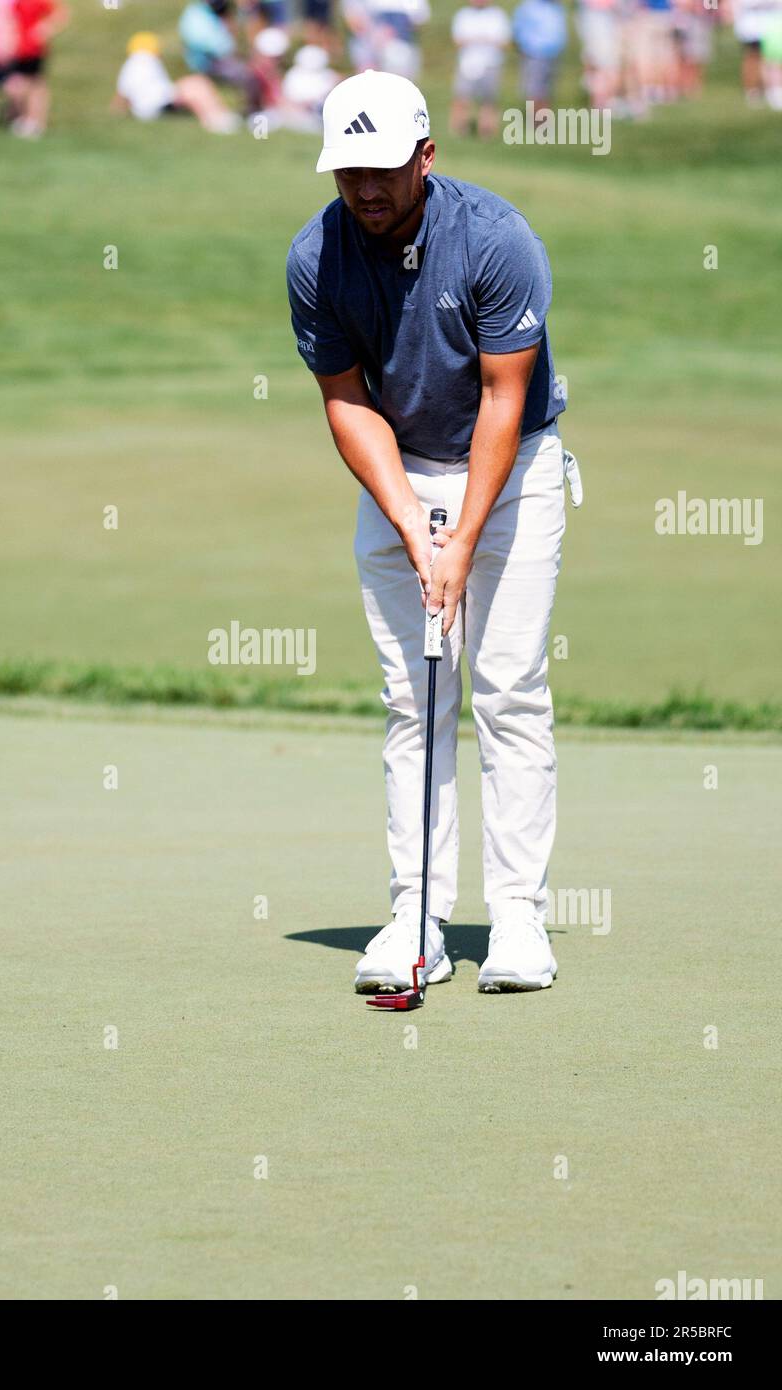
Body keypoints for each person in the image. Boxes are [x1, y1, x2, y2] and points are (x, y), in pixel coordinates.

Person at [286, 70, 579, 996]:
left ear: (424, 156)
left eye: (381, 168)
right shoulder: (315, 258)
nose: (365, 190)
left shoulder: (496, 240)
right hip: (400, 470)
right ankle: (417, 914)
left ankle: (521, 921)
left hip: (515, 467)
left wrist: (461, 538)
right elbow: (347, 402)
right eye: (347, 172)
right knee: (416, 699)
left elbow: (502, 400)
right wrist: (417, 527)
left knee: (507, 688)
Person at [112, 29, 239, 133]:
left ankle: (218, 117)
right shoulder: (146, 60)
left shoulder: (132, 64)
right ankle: (216, 120)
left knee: (195, 86)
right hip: (157, 105)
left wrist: (117, 114)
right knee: (196, 85)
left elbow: (123, 94)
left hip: (152, 106)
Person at [0, 0, 68, 138]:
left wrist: (45, 28)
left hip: (32, 50)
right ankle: (22, 118)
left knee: (35, 85)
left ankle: (35, 121)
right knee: (16, 85)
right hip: (13, 49)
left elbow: (60, 13)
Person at [179, 0, 262, 112]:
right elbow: (203, 43)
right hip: (208, 61)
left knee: (255, 71)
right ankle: (252, 111)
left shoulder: (214, 11)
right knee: (247, 75)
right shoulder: (195, 14)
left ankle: (253, 109)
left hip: (221, 58)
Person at [450, 0, 511, 137]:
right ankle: (460, 131)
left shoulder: (497, 15)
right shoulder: (463, 15)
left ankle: (487, 131)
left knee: (489, 99)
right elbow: (457, 40)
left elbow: (504, 41)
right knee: (462, 98)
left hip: (491, 63)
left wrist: (483, 40)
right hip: (467, 63)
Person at [512, 0, 567, 113]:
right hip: (534, 53)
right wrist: (525, 47)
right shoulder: (528, 6)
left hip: (553, 54)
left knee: (547, 90)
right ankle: (536, 122)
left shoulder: (557, 6)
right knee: (534, 90)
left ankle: (544, 122)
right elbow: (518, 29)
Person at [576, 0, 623, 110]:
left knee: (607, 62)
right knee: (600, 62)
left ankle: (605, 100)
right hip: (596, 17)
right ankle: (600, 102)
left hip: (606, 18)